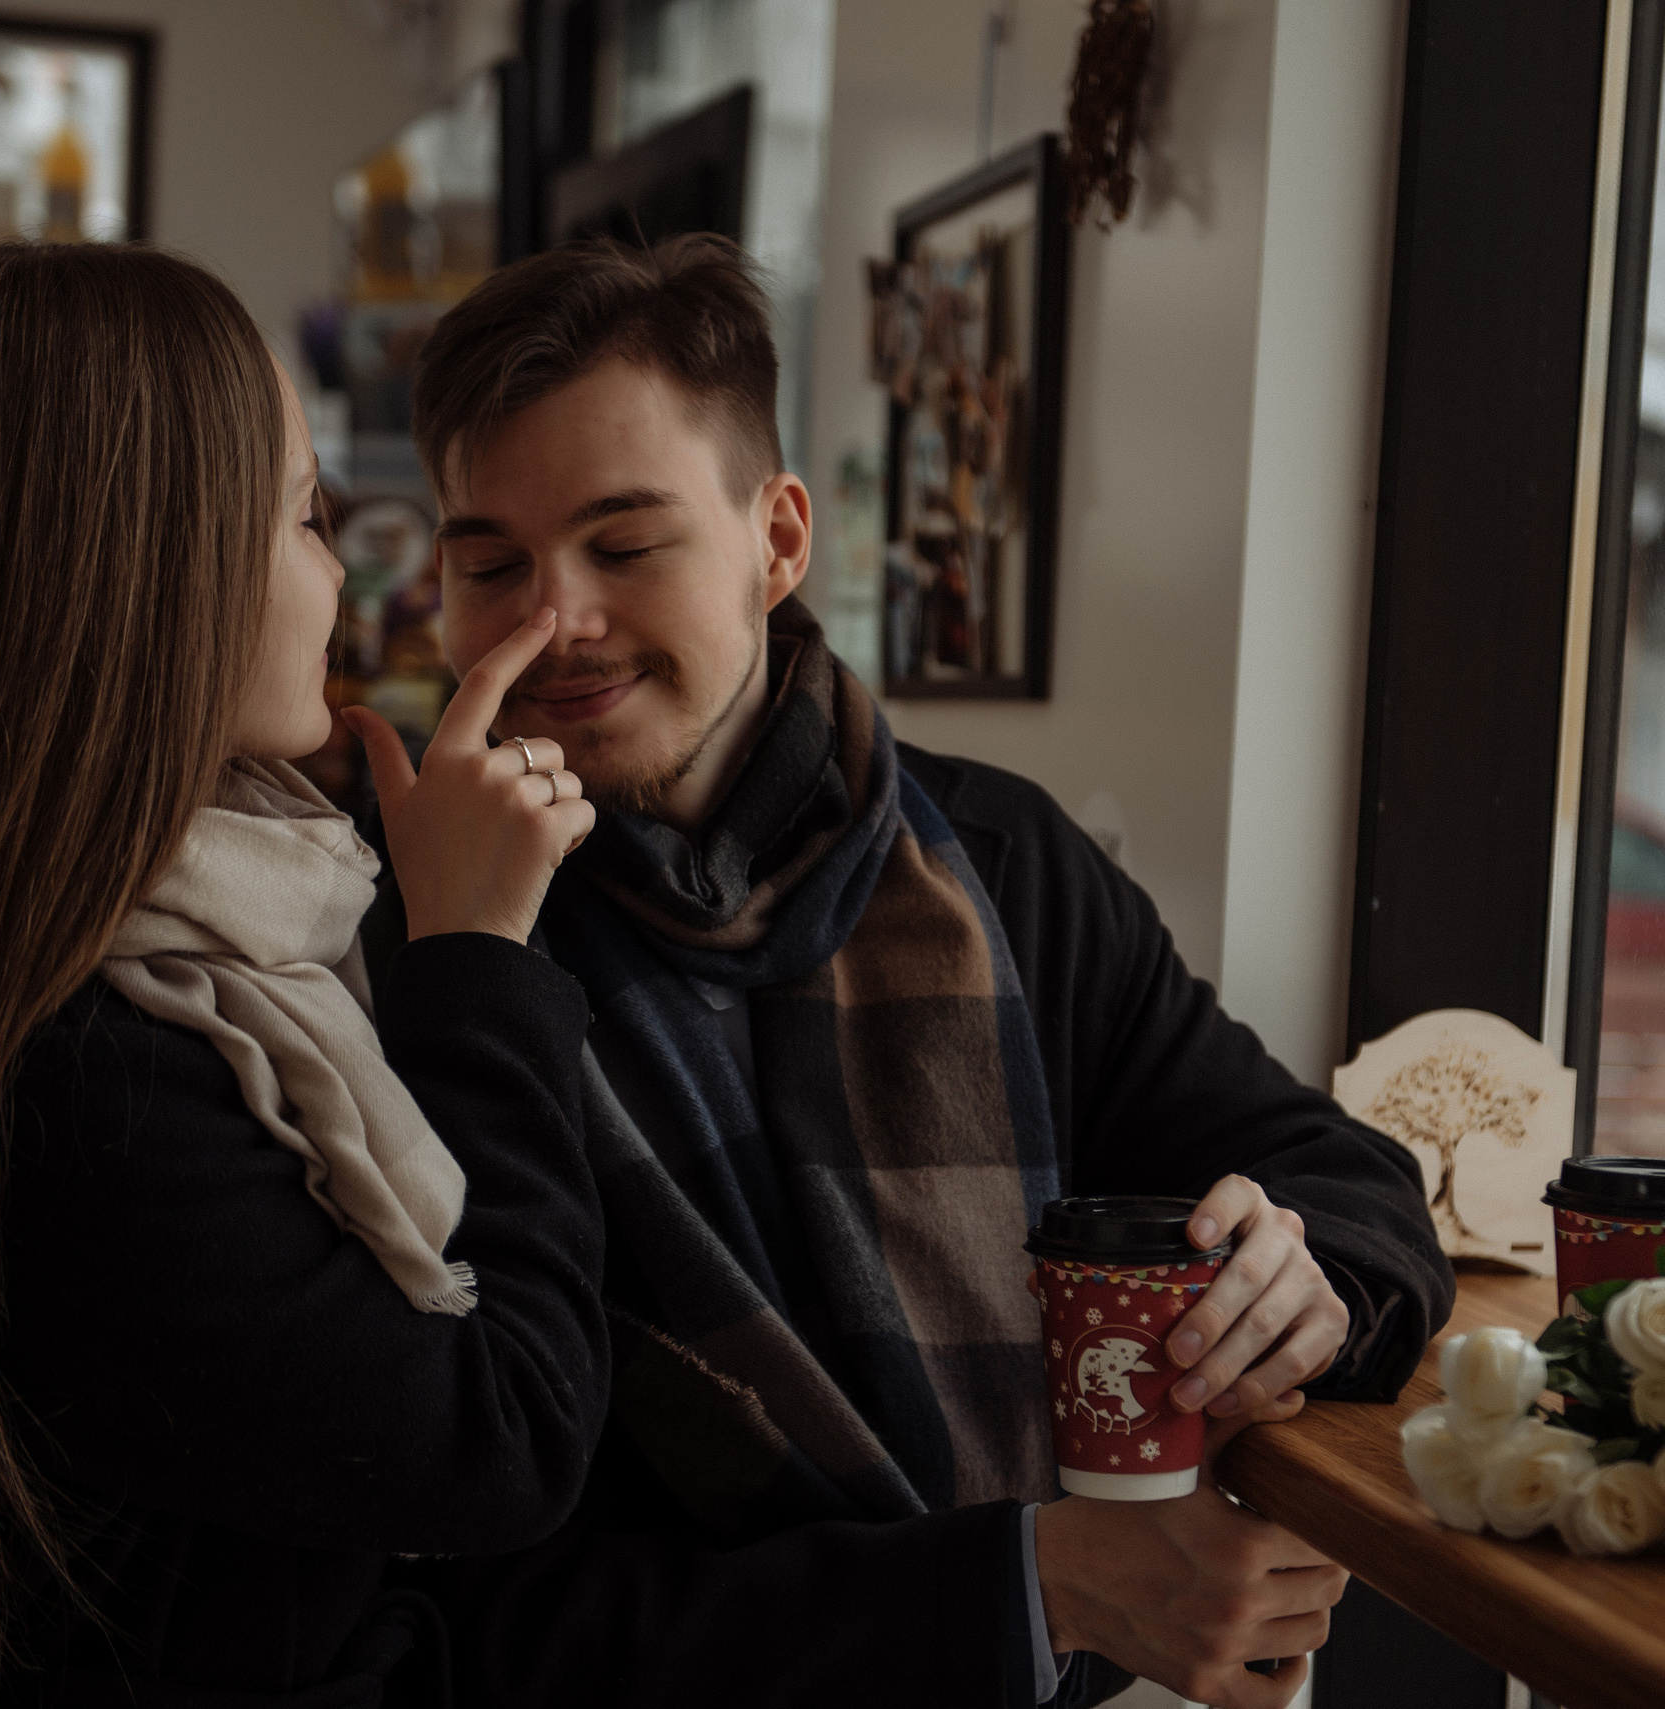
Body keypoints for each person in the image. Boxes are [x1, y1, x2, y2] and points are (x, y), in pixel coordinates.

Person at [347, 233, 1456, 1707]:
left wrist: (1306, 1274)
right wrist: (1021, 1585)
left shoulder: (1003, 856)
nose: (558, 621)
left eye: (625, 544)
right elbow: (458, 1609)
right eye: (492, 561)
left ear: (780, 537)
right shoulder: (399, 927)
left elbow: (1343, 1177)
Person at [0, 244, 612, 1709]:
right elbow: (502, 1432)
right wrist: (478, 951)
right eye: (303, 514)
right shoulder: (87, 1069)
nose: (344, 569)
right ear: (146, 568)